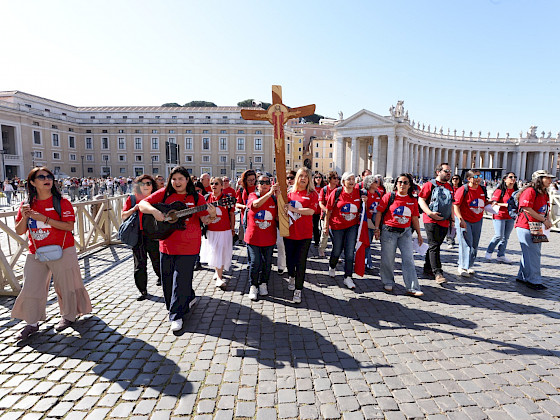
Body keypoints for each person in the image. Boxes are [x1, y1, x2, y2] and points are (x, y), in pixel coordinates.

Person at [12, 167, 92, 340]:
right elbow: (19, 231)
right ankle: (31, 323)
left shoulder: (62, 202)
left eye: (49, 176)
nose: (47, 179)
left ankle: (69, 316)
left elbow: (69, 226)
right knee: (31, 286)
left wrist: (44, 219)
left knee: (66, 285)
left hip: (63, 249)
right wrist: (25, 217)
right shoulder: (26, 204)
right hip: (36, 252)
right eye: (41, 177)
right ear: (32, 182)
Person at [139, 166, 216, 333]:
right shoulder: (165, 194)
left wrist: (212, 215)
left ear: (187, 180)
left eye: (181, 178)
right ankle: (186, 299)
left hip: (189, 246)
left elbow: (205, 220)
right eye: (174, 179)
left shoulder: (197, 197)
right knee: (167, 281)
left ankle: (176, 315)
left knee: (180, 280)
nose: (177, 182)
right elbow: (142, 204)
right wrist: (154, 212)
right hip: (166, 244)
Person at [373, 173, 424, 297]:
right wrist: (376, 229)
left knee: (409, 259)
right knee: (388, 258)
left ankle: (412, 287)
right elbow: (379, 213)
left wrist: (419, 234)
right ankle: (388, 281)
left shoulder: (412, 200)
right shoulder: (389, 197)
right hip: (389, 231)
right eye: (400, 182)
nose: (402, 185)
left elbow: (415, 218)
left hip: (405, 232)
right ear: (396, 184)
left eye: (405, 182)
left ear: (410, 185)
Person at [121, 174, 161, 301]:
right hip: (137, 234)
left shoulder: (157, 198)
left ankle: (163, 279)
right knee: (139, 264)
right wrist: (133, 209)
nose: (146, 186)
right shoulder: (132, 198)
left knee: (157, 260)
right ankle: (142, 290)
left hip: (153, 234)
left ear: (152, 185)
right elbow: (123, 216)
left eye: (148, 183)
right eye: (143, 184)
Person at [515, 170, 554, 290]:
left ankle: (522, 276)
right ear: (539, 179)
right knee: (533, 254)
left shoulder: (544, 192)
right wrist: (543, 220)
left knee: (529, 252)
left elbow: (546, 208)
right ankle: (534, 280)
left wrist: (546, 219)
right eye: (547, 178)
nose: (550, 180)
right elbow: (526, 208)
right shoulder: (530, 191)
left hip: (537, 225)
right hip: (526, 225)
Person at [284, 168, 319, 303]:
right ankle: (291, 276)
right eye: (300, 176)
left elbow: (310, 211)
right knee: (290, 261)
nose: (303, 178)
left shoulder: (312, 194)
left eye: (306, 176)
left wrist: (293, 209)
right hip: (289, 233)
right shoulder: (289, 193)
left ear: (309, 179)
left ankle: (298, 290)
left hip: (304, 235)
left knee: (301, 262)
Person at [324, 172, 361, 289]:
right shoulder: (337, 192)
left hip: (352, 226)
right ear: (343, 181)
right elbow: (328, 210)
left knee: (350, 252)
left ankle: (348, 277)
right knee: (337, 249)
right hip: (337, 226)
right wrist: (325, 226)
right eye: (348, 179)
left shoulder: (359, 193)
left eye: (353, 179)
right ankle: (332, 265)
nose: (351, 181)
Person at [418, 163, 454, 284]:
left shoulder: (450, 186)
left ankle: (427, 267)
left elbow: (451, 204)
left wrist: (452, 220)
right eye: (446, 171)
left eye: (450, 171)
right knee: (434, 245)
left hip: (444, 220)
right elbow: (421, 199)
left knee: (436, 245)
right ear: (438, 172)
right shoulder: (429, 184)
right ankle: (438, 272)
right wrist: (429, 213)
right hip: (431, 220)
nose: (449, 173)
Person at [245, 174, 279, 301]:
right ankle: (253, 285)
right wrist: (270, 193)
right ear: (257, 185)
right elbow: (256, 205)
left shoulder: (274, 199)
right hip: (253, 237)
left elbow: (277, 217)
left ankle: (263, 283)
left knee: (267, 263)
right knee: (255, 262)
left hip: (269, 238)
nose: (264, 184)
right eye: (261, 182)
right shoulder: (253, 196)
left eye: (266, 182)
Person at [200, 177, 235, 290]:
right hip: (211, 230)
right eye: (211, 183)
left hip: (224, 230)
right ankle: (219, 276)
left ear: (221, 186)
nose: (213, 185)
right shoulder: (206, 198)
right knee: (215, 252)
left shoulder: (227, 199)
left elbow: (232, 214)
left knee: (222, 252)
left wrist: (233, 228)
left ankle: (218, 273)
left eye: (216, 183)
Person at [453, 170, 488, 277]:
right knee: (465, 243)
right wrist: (460, 219)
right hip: (464, 219)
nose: (478, 178)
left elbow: (483, 201)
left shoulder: (482, 189)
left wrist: (491, 203)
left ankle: (469, 265)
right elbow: (456, 205)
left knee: (474, 244)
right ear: (469, 179)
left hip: (477, 219)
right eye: (476, 176)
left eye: (480, 176)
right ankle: (462, 266)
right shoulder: (463, 189)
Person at [485, 172, 518, 263]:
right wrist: (506, 205)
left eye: (514, 177)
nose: (513, 179)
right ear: (505, 179)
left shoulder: (516, 191)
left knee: (505, 237)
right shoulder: (500, 190)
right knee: (499, 235)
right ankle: (489, 251)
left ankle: (501, 255)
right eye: (510, 177)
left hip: (510, 216)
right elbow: (493, 203)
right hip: (499, 215)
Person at [362, 175, 383, 272]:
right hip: (366, 221)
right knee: (366, 242)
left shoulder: (378, 194)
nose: (377, 183)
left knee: (368, 242)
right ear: (370, 183)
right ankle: (367, 262)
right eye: (375, 181)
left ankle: (366, 261)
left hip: (374, 222)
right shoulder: (364, 193)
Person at [318, 171, 339, 257]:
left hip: (336, 216)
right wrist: (326, 210)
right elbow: (320, 203)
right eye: (334, 178)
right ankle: (321, 249)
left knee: (336, 236)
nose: (336, 180)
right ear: (329, 179)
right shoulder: (324, 189)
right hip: (325, 215)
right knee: (324, 234)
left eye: (337, 178)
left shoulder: (339, 189)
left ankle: (335, 253)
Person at [236, 170, 257, 245]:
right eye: (249, 180)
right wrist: (244, 207)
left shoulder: (258, 188)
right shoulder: (242, 190)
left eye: (253, 179)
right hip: (245, 218)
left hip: (257, 218)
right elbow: (237, 204)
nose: (252, 182)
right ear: (245, 180)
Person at [446, 175, 463, 248]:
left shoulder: (461, 189)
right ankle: (450, 240)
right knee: (450, 225)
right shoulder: (448, 188)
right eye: (453, 179)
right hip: (450, 208)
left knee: (456, 226)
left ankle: (455, 239)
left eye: (456, 179)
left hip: (458, 209)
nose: (455, 180)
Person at [312, 172, 326, 248]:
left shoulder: (324, 188)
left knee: (321, 227)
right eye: (316, 177)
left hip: (322, 210)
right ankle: (316, 241)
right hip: (314, 210)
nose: (318, 179)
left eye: (320, 177)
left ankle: (322, 241)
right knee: (315, 227)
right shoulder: (312, 188)